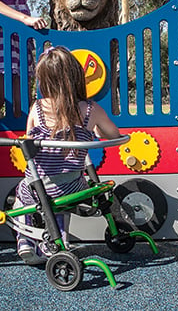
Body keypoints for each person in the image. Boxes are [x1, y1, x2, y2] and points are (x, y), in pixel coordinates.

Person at [13, 46, 121, 265]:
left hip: (38, 187)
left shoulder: (37, 109)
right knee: (62, 199)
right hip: (72, 187)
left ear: (44, 80)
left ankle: (25, 239)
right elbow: (114, 135)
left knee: (23, 194)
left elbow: (27, 146)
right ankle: (60, 238)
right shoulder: (91, 109)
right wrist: (95, 129)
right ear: (76, 76)